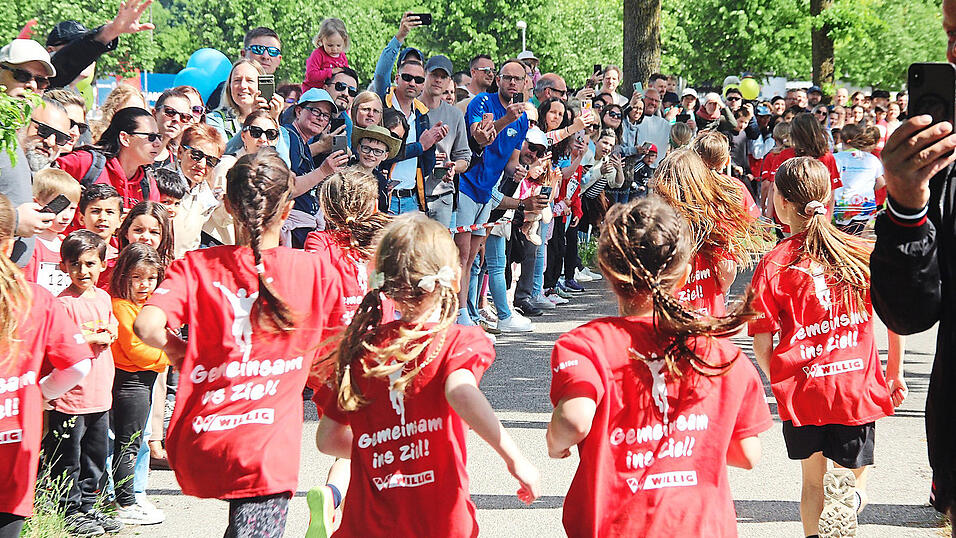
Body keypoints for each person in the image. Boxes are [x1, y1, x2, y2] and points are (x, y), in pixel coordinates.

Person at [133, 148, 347, 538]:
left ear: (229, 206)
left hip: (203, 436)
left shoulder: (195, 266)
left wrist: (183, 354)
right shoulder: (315, 271)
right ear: (288, 208)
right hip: (266, 448)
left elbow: (147, 326)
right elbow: (335, 354)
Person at [547, 195, 771, 537]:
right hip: (698, 526)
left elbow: (575, 419)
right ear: (683, 275)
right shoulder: (722, 354)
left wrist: (555, 441)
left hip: (617, 525)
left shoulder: (586, 344)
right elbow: (747, 454)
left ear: (608, 272)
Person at [315, 213, 540, 536]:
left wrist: (382, 448)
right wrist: (516, 459)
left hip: (367, 524)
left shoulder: (360, 349)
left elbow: (328, 439)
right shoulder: (457, 341)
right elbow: (460, 391)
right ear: (453, 278)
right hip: (438, 519)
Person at [753, 157, 905, 537]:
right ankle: (851, 500)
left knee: (811, 484)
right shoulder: (859, 252)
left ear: (782, 204)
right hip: (854, 384)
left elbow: (761, 340)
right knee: (853, 479)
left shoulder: (774, 262)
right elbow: (895, 317)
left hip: (805, 390)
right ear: (831, 199)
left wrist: (781, 379)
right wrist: (894, 371)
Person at [301, 169, 392, 535]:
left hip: (326, 359)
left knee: (349, 441)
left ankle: (334, 499)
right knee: (368, 442)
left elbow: (311, 287)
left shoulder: (317, 242)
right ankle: (341, 501)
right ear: (372, 204)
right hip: (373, 353)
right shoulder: (381, 244)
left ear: (325, 205)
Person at [0, 193, 92, 538]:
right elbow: (78, 365)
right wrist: (38, 394)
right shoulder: (36, 298)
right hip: (13, 452)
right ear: (10, 244)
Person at [43, 230, 123, 537]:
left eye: (90, 263)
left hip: (99, 393)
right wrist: (91, 338)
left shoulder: (102, 297)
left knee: (95, 455)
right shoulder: (62, 304)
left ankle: (90, 504)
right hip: (70, 397)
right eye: (75, 264)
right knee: (68, 457)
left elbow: (110, 321)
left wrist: (111, 329)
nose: (83, 270)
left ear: (103, 264)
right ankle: (69, 509)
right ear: (64, 266)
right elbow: (59, 344)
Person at [457, 60, 529, 325]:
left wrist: (518, 172)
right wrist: (505, 119)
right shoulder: (482, 103)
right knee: (462, 253)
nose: (512, 83)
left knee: (475, 255)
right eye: (507, 77)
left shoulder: (522, 120)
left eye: (517, 79)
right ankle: (460, 313)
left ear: (524, 83)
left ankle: (469, 312)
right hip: (466, 183)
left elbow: (511, 163)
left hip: (488, 190)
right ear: (498, 79)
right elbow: (479, 138)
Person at [655, 149, 768, 317]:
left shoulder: (655, 226)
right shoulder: (715, 221)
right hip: (708, 314)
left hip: (668, 317)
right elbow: (727, 270)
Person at [108, 242, 168, 525]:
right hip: (129, 381)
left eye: (150, 278)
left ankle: (129, 497)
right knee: (127, 442)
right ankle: (125, 502)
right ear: (123, 277)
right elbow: (137, 350)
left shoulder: (146, 306)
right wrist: (170, 355)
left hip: (144, 381)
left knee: (134, 440)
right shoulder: (121, 306)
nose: (144, 285)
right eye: (136, 277)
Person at [56, 107, 162, 209]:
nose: (158, 143)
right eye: (151, 137)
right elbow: (44, 181)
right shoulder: (86, 163)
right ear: (125, 138)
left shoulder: (148, 184)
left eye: (159, 137)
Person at [421, 55, 472, 227]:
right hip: (414, 195)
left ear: (449, 80)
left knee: (440, 252)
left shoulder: (455, 114)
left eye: (443, 77)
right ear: (425, 74)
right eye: (434, 74)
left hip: (443, 196)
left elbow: (465, 157)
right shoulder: (411, 108)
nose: (438, 80)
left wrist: (453, 168)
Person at [171, 124, 229, 256]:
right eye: (196, 155)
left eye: (211, 160)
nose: (202, 164)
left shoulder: (206, 194)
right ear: (180, 152)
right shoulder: (161, 184)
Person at [21, 169, 80, 295]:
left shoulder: (68, 244)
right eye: (61, 208)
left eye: (72, 208)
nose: (67, 216)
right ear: (37, 204)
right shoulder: (29, 245)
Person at [206, 27, 283, 111]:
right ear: (243, 54)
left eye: (273, 51)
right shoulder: (227, 91)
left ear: (279, 59)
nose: (265, 56)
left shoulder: (278, 99)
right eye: (258, 49)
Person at [207, 59, 283, 142]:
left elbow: (282, 154)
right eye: (237, 80)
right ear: (229, 86)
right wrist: (252, 121)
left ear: (261, 85)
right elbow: (224, 152)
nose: (243, 86)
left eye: (250, 80)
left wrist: (273, 122)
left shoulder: (277, 125)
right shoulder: (215, 120)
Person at [832, 124, 884, 234]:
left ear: (841, 138)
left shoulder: (836, 158)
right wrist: (869, 188)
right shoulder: (871, 159)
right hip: (865, 206)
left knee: (843, 240)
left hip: (842, 207)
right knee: (856, 237)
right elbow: (882, 182)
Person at [350, 125, 401, 211]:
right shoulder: (345, 172)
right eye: (366, 148)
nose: (371, 154)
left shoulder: (381, 181)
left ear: (385, 156)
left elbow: (383, 209)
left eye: (377, 151)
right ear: (358, 148)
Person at [303, 18, 350, 93]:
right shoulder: (318, 54)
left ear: (344, 41)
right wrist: (330, 72)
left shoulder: (342, 57)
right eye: (330, 45)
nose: (334, 49)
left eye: (338, 45)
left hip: (333, 93)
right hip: (313, 92)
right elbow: (311, 75)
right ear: (321, 40)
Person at [151, 87, 193, 169]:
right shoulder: (136, 151)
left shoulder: (177, 165)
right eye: (170, 112)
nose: (176, 119)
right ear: (154, 113)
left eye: (184, 117)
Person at [635, 89, 671, 166]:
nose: (653, 103)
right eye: (651, 99)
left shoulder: (664, 124)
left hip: (656, 169)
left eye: (656, 101)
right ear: (643, 99)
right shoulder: (633, 120)